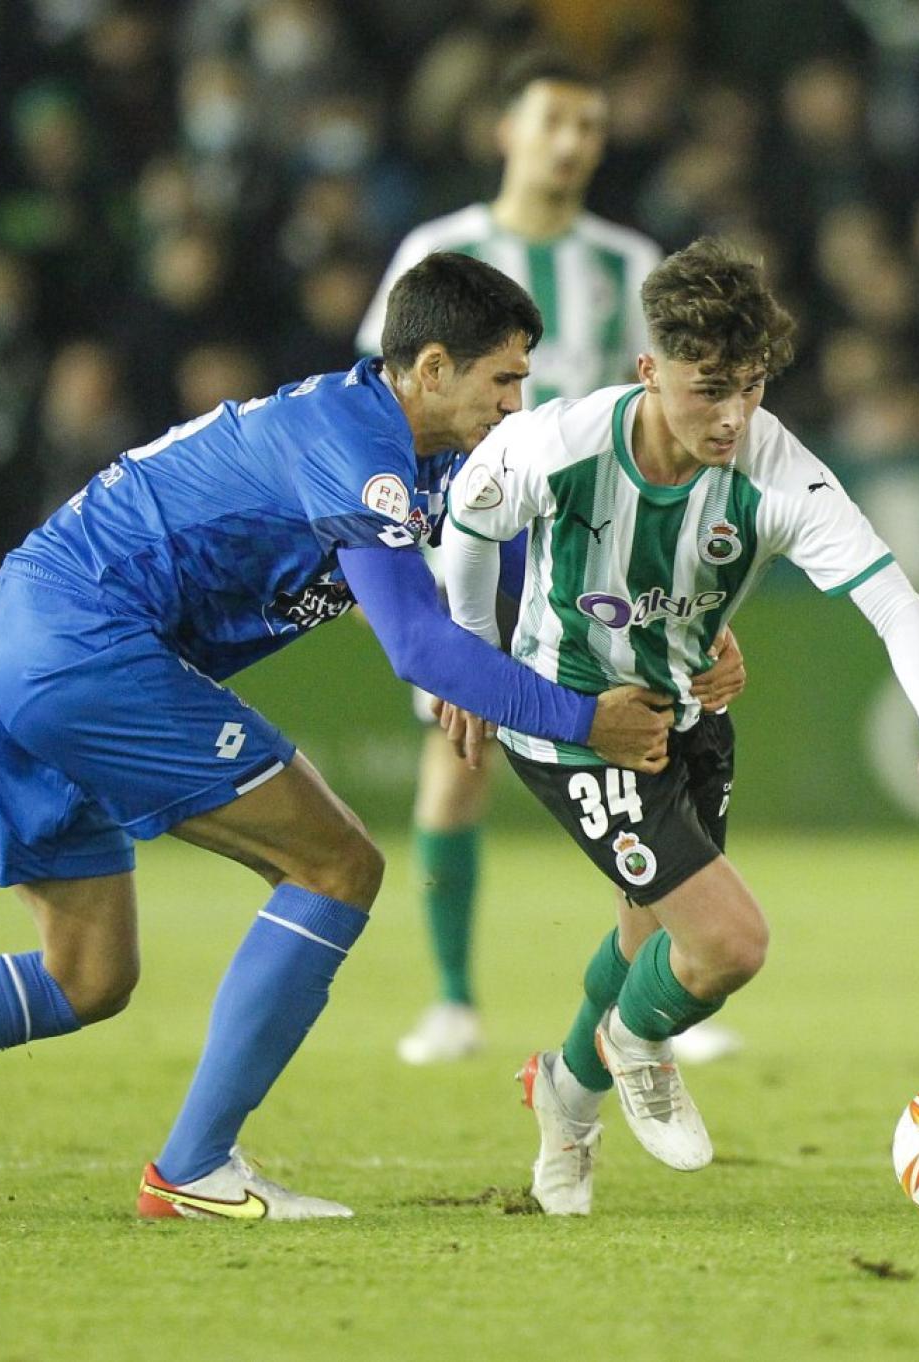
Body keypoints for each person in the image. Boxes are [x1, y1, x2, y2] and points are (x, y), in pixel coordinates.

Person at [0, 251, 677, 1222]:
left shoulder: (408, 448)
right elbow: (414, 642)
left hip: (12, 636)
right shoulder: (355, 441)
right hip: (85, 645)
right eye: (502, 380)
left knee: (87, 974)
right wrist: (583, 717)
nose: (514, 403)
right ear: (428, 369)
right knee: (336, 867)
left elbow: (459, 596)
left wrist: (508, 661)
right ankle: (194, 1168)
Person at [435, 238, 919, 1214]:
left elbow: (891, 598)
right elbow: (472, 526)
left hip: (689, 717)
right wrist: (473, 661)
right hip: (574, 726)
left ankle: (565, 1093)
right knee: (728, 944)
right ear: (649, 372)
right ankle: (635, 1045)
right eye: (707, 390)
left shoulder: (777, 471)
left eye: (752, 386)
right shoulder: (556, 447)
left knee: (646, 938)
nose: (733, 415)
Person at [357, 50, 744, 1067]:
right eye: (556, 121)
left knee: (645, 754)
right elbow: (383, 402)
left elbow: (666, 416)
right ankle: (451, 1000)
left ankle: (663, 973)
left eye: (592, 127)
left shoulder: (627, 262)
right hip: (474, 544)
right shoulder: (438, 251)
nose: (574, 142)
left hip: (598, 553)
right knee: (459, 760)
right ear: (507, 131)